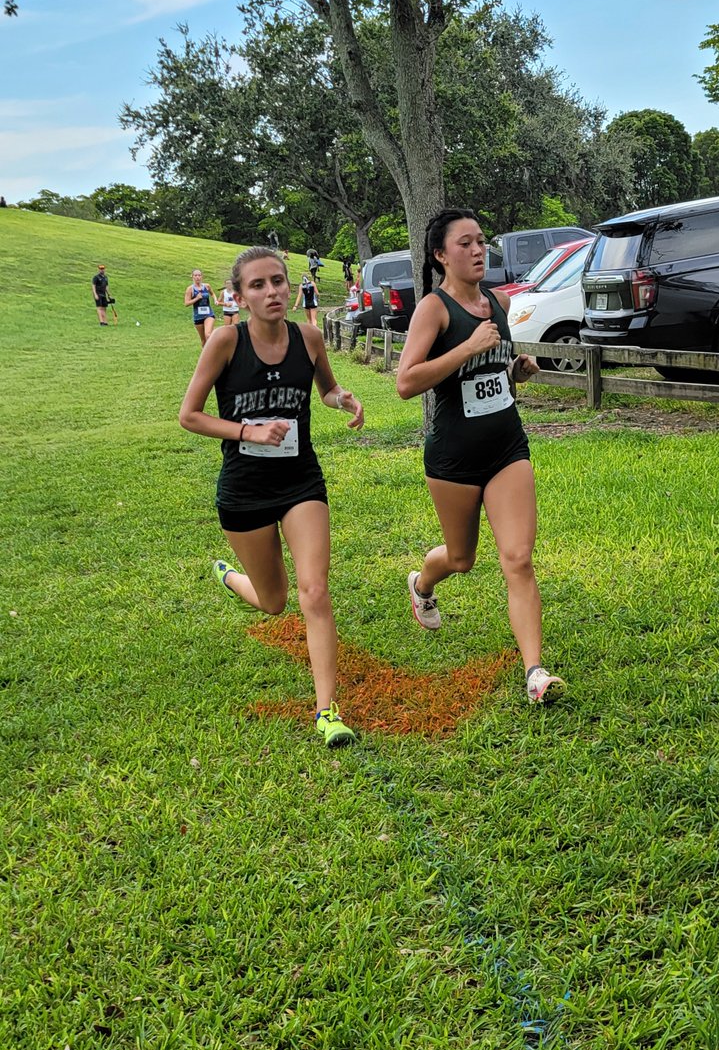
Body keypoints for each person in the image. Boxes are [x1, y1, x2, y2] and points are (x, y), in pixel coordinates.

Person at [178, 246, 365, 748]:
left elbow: (324, 390)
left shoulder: (308, 336)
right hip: (243, 491)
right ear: (238, 297)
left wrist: (342, 398)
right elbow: (190, 415)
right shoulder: (223, 342)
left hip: (301, 482)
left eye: (278, 281)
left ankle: (327, 711)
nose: (272, 292)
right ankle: (231, 576)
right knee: (273, 601)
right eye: (257, 285)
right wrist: (247, 432)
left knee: (314, 590)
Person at [396, 208, 565, 705]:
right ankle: (423, 583)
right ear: (441, 255)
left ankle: (535, 672)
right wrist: (467, 347)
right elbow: (407, 382)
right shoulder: (434, 308)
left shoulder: (496, 302)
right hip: (453, 457)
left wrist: (517, 370)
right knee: (463, 558)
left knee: (518, 559)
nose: (477, 251)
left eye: (481, 241)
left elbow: (493, 374)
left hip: (506, 447)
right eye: (465, 243)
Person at [184, 269, 218, 345]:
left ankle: (215, 353)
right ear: (192, 277)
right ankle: (206, 356)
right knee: (203, 341)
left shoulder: (207, 286)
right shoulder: (190, 289)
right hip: (198, 316)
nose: (197, 277)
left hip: (209, 314)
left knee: (208, 335)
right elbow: (186, 303)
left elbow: (212, 294)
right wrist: (196, 298)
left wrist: (215, 300)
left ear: (202, 276)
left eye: (199, 275)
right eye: (195, 275)